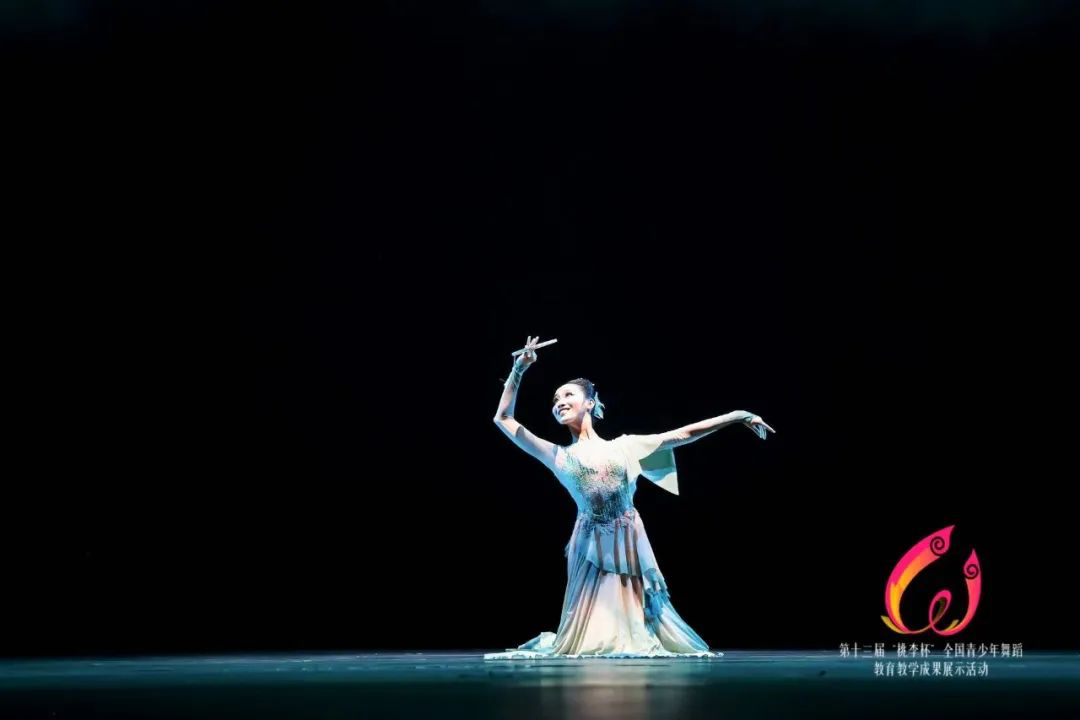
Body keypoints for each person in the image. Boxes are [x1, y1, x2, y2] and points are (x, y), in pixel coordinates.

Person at [485, 336, 775, 659]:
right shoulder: (558, 455)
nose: (559, 402)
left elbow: (682, 434)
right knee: (591, 637)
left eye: (568, 395)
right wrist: (518, 370)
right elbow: (503, 419)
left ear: (590, 403)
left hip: (627, 539)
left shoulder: (624, 446)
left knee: (629, 629)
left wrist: (737, 415)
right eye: (555, 399)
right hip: (589, 546)